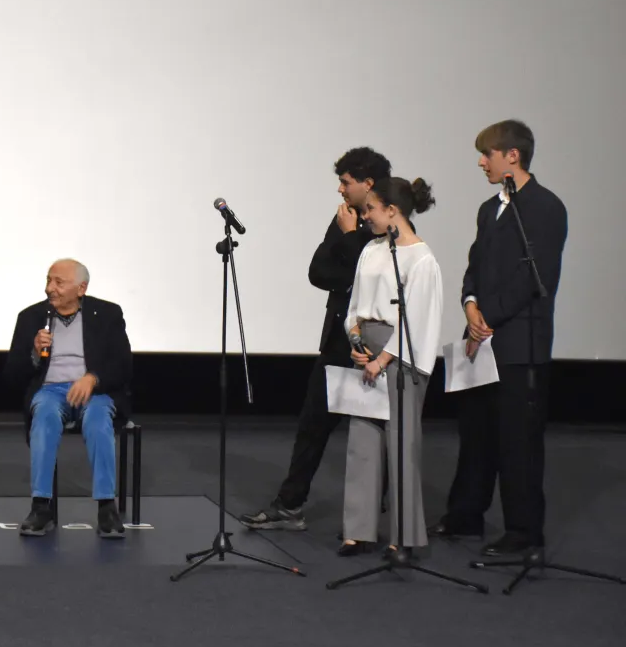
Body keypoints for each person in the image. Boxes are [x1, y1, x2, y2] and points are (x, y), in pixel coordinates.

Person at [429, 120, 567, 557]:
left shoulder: (545, 207)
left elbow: (534, 276)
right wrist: (470, 305)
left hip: (518, 345)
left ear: (513, 156)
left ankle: (524, 532)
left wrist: (488, 316)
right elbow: (474, 265)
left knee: (517, 442)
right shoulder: (490, 209)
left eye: (486, 153)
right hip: (479, 340)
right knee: (476, 434)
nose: (480, 161)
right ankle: (465, 515)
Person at [241, 147, 392, 532]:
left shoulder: (389, 216)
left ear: (367, 183)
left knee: (376, 429)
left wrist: (346, 242)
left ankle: (377, 513)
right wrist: (346, 249)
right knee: (313, 425)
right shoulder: (344, 218)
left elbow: (375, 274)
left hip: (375, 343)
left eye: (345, 182)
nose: (340, 191)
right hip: (338, 339)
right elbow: (319, 271)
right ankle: (290, 505)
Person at [339, 177, 442, 557]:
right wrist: (355, 340)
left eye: (371, 209)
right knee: (362, 442)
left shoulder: (422, 259)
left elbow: (419, 318)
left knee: (402, 444)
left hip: (401, 356)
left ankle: (404, 534)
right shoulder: (371, 250)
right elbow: (356, 304)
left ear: (392, 211)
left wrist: (384, 359)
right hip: (367, 347)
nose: (365, 216)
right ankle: (358, 530)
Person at [4, 259, 131, 539]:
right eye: (49, 280)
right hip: (50, 390)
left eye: (59, 282)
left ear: (81, 288)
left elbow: (123, 365)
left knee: (98, 421)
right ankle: (41, 507)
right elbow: (12, 374)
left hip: (94, 391)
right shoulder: (31, 317)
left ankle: (107, 507)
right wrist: (35, 353)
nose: (50, 288)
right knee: (44, 417)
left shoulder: (107, 314)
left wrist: (93, 378)